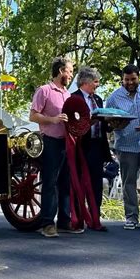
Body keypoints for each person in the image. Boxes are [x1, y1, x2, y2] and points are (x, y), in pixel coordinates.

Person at [106, 64, 140, 231]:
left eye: (133, 79)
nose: (130, 82)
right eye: (126, 80)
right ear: (122, 80)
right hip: (125, 144)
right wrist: (115, 123)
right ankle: (131, 217)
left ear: (139, 78)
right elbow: (108, 120)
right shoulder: (114, 98)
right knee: (128, 182)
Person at [29, 56, 81, 237]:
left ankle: (65, 221)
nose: (71, 74)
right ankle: (47, 223)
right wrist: (53, 119)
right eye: (70, 71)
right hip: (50, 141)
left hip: (67, 142)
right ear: (61, 71)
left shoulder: (67, 94)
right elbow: (33, 116)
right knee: (50, 182)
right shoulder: (44, 90)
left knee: (65, 182)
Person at [71, 67, 110, 230]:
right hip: (80, 147)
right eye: (96, 82)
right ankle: (79, 218)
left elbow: (102, 123)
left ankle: (95, 218)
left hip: (97, 146)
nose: (98, 85)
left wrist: (110, 123)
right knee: (79, 182)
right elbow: (71, 124)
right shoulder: (73, 98)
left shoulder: (99, 99)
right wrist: (87, 124)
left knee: (96, 183)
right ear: (85, 82)